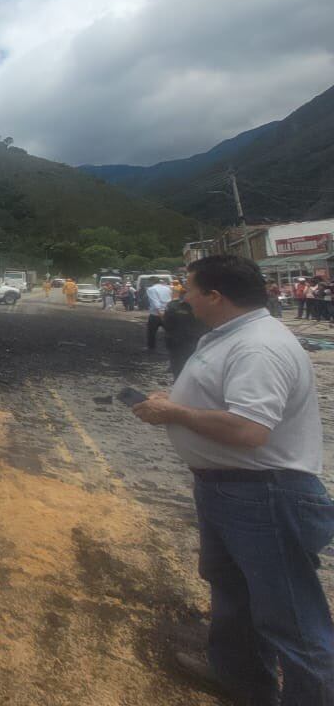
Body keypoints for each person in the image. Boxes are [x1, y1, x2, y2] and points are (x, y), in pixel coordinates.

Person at [131, 255, 334, 705]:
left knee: (292, 619)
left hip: (264, 495)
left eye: (190, 289)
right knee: (233, 590)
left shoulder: (258, 346)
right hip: (232, 490)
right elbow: (224, 399)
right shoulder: (235, 336)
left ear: (215, 296)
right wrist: (174, 401)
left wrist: (175, 412)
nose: (185, 297)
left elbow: (249, 430)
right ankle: (240, 678)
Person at [145, 277, 174, 351]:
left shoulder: (151, 289)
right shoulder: (167, 288)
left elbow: (155, 302)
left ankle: (151, 348)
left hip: (156, 314)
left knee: (151, 332)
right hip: (167, 312)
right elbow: (170, 300)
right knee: (170, 331)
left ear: (151, 282)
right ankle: (173, 347)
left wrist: (160, 314)